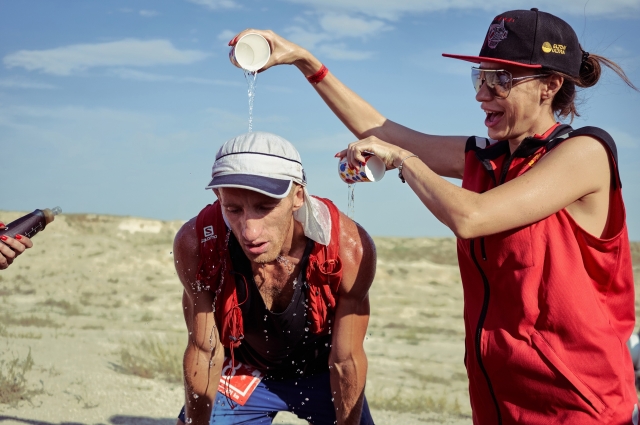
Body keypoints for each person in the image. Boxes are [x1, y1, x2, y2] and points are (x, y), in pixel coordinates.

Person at [231, 8, 639, 425]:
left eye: (501, 79)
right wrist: (306, 62)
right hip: (499, 400)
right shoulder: (488, 158)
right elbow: (381, 129)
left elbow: (471, 216)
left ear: (550, 86)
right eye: (480, 77)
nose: (483, 93)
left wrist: (404, 160)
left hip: (580, 404)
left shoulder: (585, 153)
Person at [174, 132, 376, 425]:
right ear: (218, 198)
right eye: (234, 209)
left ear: (297, 196)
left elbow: (345, 361)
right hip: (245, 370)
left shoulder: (348, 248)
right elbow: (205, 351)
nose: (249, 232)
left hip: (321, 371)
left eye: (265, 207)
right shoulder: (198, 243)